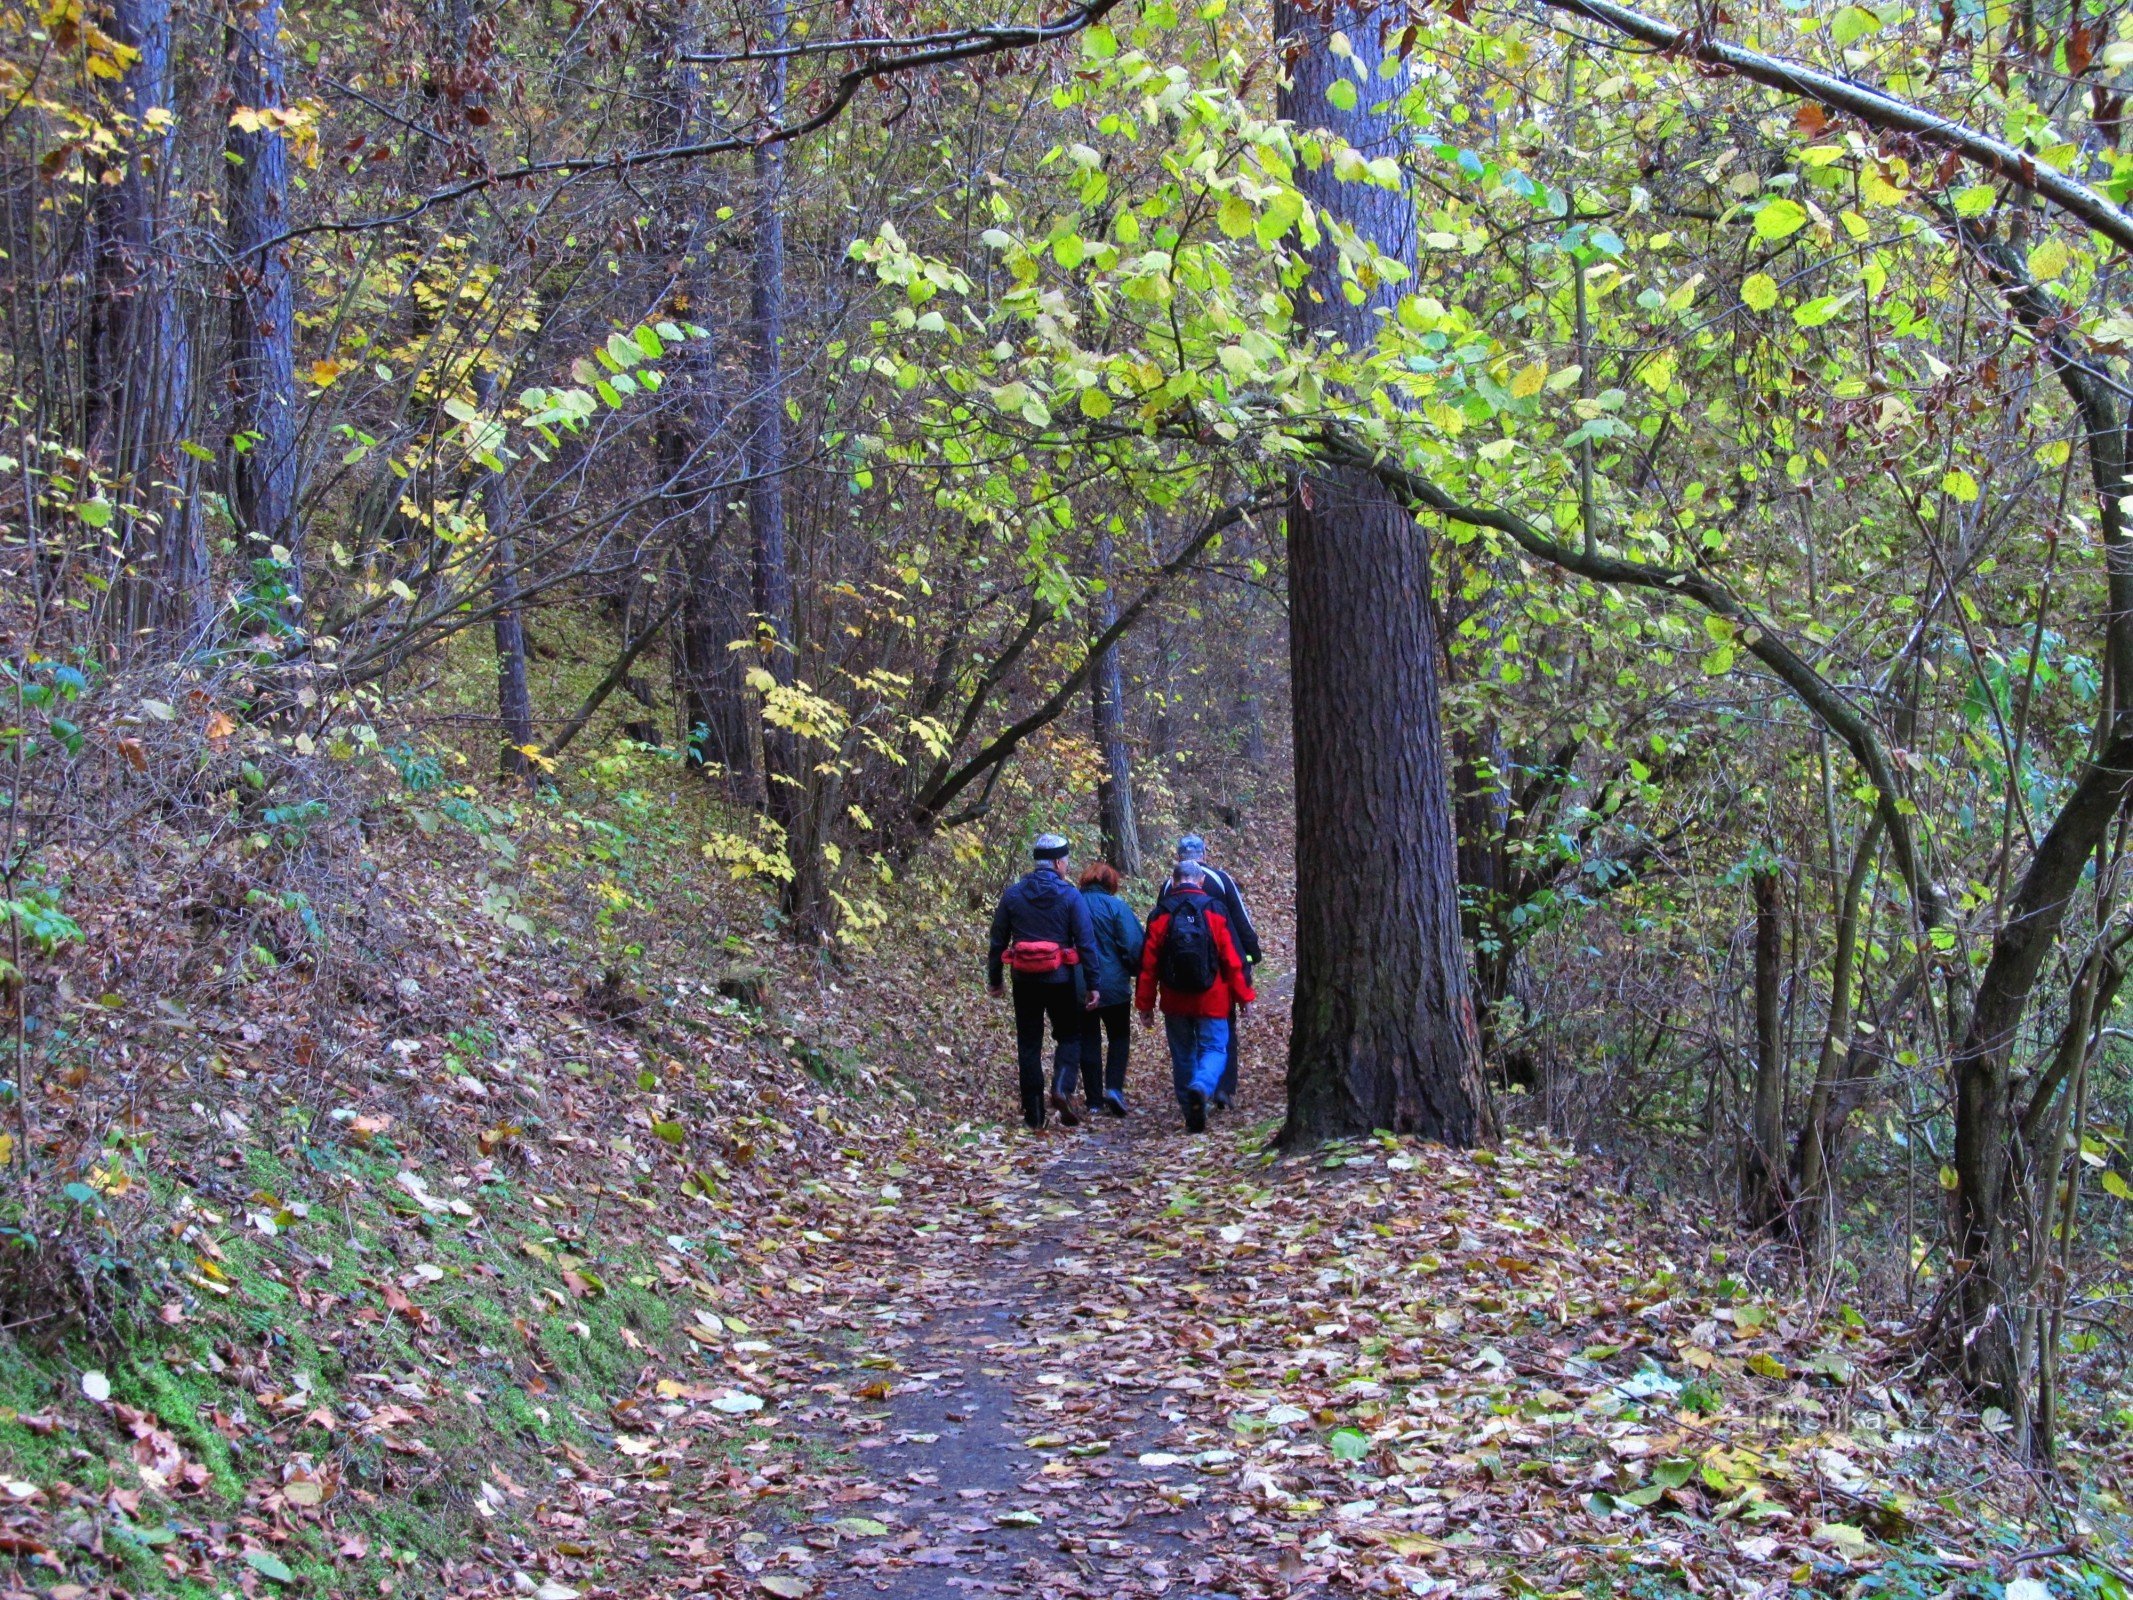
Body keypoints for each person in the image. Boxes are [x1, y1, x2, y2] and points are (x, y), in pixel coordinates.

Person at [988, 833, 1101, 1130]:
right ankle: (1062, 1087)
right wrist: (1093, 983)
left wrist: (995, 979)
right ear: (1056, 862)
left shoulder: (1013, 895)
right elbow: (1086, 943)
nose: (1066, 866)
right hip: (1060, 979)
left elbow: (998, 940)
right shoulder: (1070, 895)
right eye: (1065, 861)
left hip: (1024, 979)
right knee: (1069, 1036)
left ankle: (1034, 1114)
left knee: (1028, 1044)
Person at [1136, 858, 1256, 1133]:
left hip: (1174, 1000)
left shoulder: (1160, 915)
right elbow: (1232, 960)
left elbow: (1148, 965)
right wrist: (1244, 996)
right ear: (1201, 881)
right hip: (1212, 999)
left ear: (1173, 881)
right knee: (1214, 1048)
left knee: (1183, 1053)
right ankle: (1202, 1087)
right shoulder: (1215, 910)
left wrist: (1145, 1005)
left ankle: (1190, 1110)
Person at [1177, 834, 1261, 1109]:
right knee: (1224, 1027)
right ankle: (1223, 1087)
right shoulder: (1220, 879)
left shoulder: (1170, 884)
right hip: (1220, 971)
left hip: (1180, 977)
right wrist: (1252, 952)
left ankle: (1195, 1089)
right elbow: (1240, 919)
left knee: (1187, 1035)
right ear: (1204, 853)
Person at [1077, 861, 1143, 1118]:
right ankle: (1114, 1088)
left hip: (1080, 984)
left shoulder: (1072, 904)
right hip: (1114, 985)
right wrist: (1133, 970)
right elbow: (1134, 944)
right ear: (1110, 884)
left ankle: (1093, 1100)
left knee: (1088, 1038)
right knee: (1119, 1036)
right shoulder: (1117, 907)